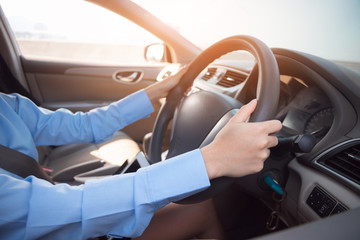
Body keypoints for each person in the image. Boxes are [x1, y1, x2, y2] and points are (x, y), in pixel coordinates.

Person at [0, 67, 282, 240]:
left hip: (46, 205)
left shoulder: (6, 105)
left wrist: (154, 93)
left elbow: (80, 125)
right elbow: (66, 211)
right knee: (199, 209)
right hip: (49, 225)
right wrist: (211, 160)